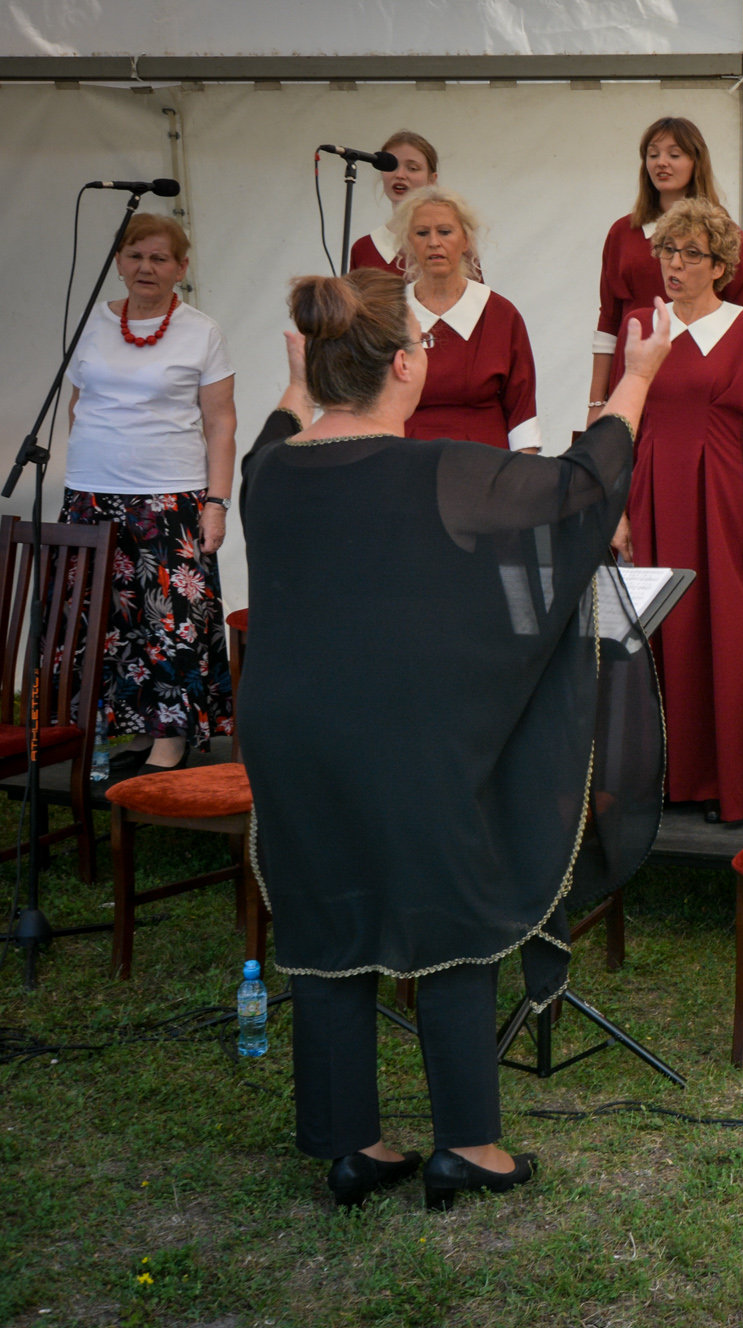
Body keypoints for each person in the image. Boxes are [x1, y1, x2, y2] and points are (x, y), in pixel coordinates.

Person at [238, 267, 673, 1209]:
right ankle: (467, 1145)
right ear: (403, 365)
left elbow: (279, 424)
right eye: (422, 345)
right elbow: (579, 487)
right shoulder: (438, 469)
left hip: (287, 729)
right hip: (407, 732)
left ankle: (352, 1144)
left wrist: (298, 380)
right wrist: (638, 376)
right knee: (449, 911)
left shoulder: (267, 472)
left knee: (327, 908)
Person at [626, 197, 743, 822]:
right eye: (668, 251)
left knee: (725, 631)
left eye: (690, 254)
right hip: (652, 493)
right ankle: (664, 779)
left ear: (720, 266)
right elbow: (622, 422)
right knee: (659, 631)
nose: (674, 264)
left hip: (723, 496)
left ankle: (725, 781)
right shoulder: (641, 326)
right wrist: (617, 511)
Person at [62, 212, 234, 774]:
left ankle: (170, 742)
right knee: (106, 623)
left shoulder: (201, 331)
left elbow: (221, 423)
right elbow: (78, 404)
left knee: (170, 623)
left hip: (169, 498)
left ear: (181, 268)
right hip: (91, 496)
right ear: (118, 261)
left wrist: (216, 503)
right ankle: (126, 731)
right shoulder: (92, 322)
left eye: (160, 258)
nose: (146, 267)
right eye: (135, 256)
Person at [590, 116, 743, 422]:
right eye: (653, 154)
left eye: (674, 154)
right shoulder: (623, 234)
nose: (661, 163)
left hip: (703, 388)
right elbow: (609, 322)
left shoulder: (727, 237)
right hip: (632, 384)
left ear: (696, 161)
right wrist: (596, 403)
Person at [391, 185, 542, 452]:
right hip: (405, 459)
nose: (434, 242)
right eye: (422, 233)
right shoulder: (389, 314)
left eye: (445, 232)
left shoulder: (500, 314)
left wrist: (522, 473)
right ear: (409, 243)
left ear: (465, 240)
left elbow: (523, 412)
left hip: (484, 462)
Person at [347, 130, 439, 276]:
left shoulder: (451, 242)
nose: (400, 175)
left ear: (432, 180)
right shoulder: (364, 248)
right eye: (392, 166)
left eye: (412, 168)